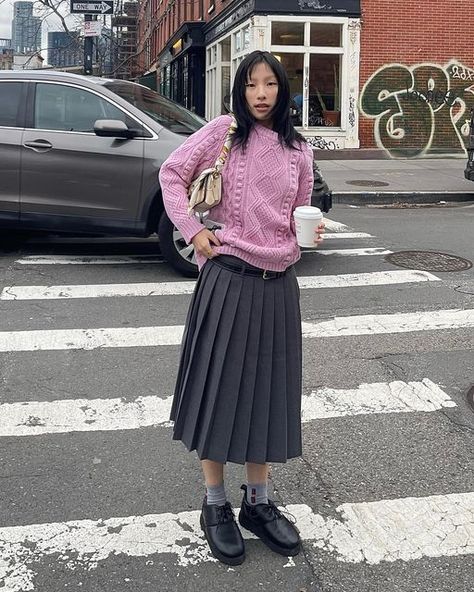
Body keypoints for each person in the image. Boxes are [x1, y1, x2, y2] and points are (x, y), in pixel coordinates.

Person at [159, 50, 325, 566]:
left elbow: (298, 209)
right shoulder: (225, 133)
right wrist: (195, 232)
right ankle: (214, 504)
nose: (260, 93)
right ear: (241, 89)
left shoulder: (299, 149)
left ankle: (257, 501)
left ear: (283, 90)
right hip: (228, 280)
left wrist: (311, 229)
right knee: (218, 389)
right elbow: (171, 175)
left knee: (268, 393)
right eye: (251, 84)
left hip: (279, 283)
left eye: (270, 84)